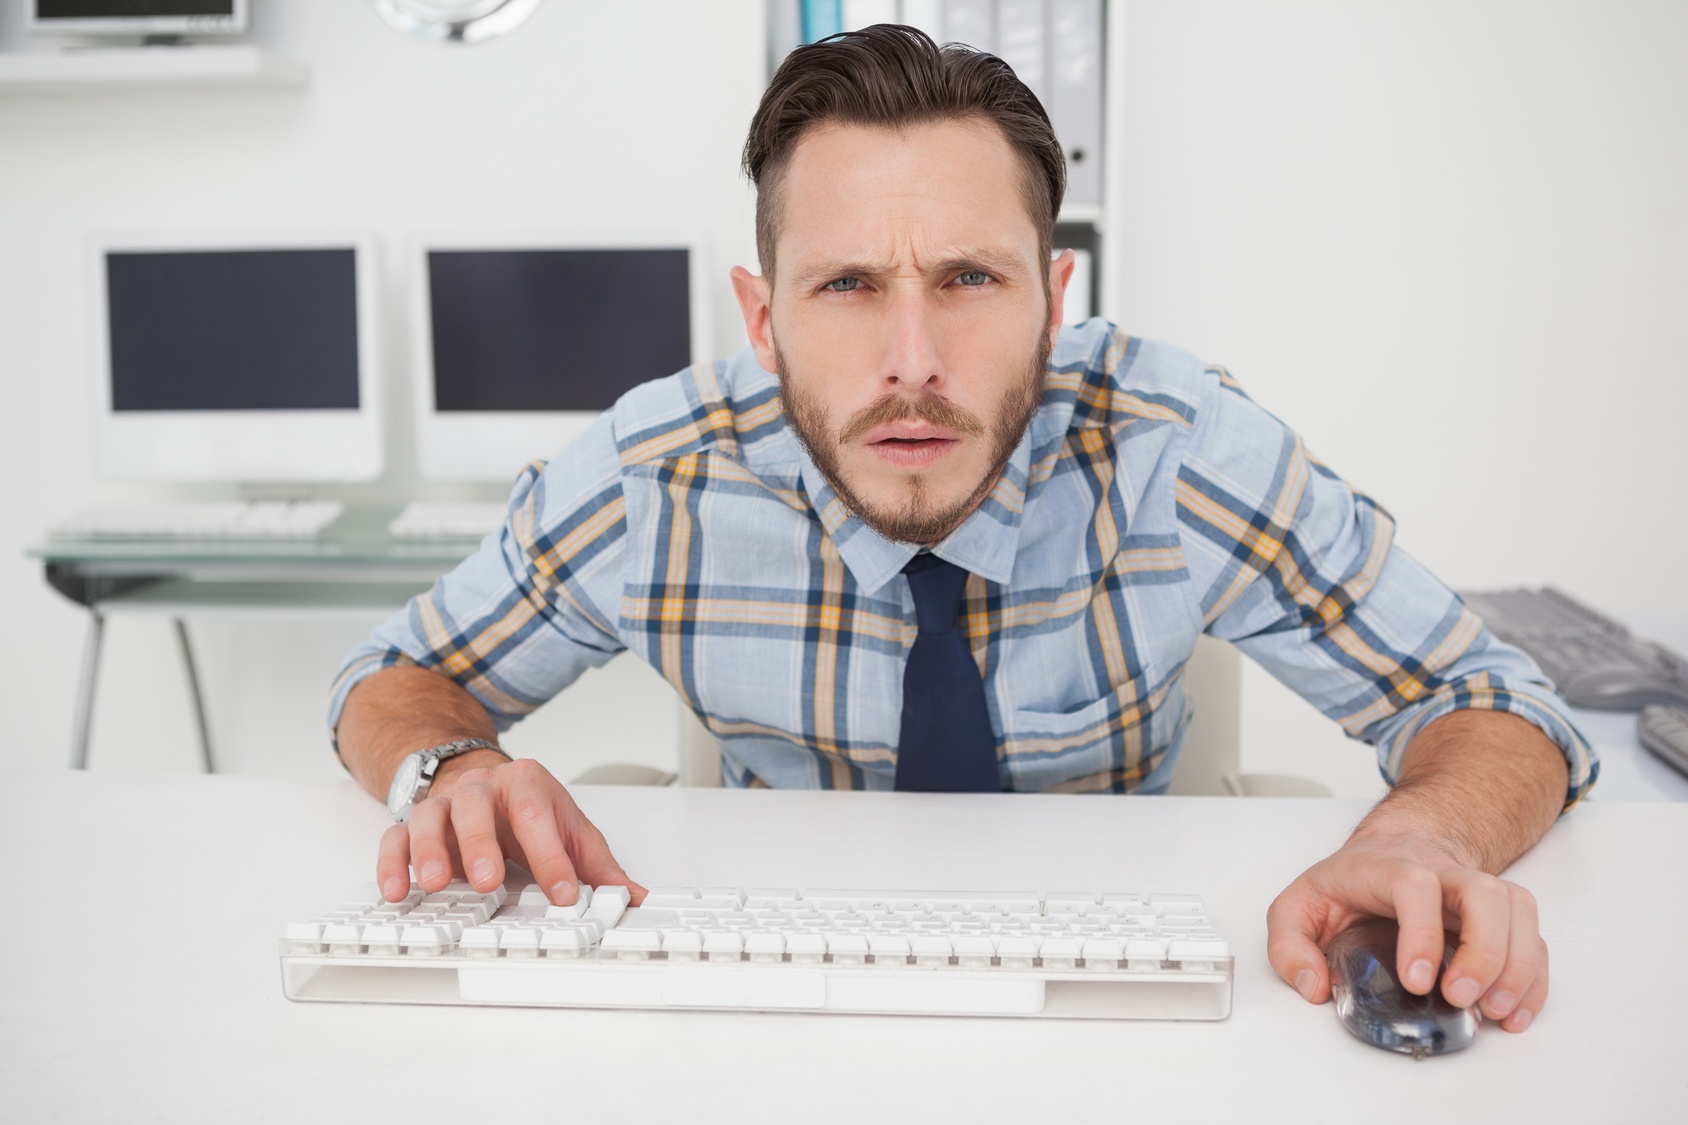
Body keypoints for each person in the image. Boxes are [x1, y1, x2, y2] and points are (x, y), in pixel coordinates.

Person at [329, 25, 1594, 1034]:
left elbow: (1492, 699)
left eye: (968, 279)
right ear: (762, 321)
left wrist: (1418, 838)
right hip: (767, 1019)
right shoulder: (652, 474)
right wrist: (456, 771)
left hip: (1120, 1012)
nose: (911, 363)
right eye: (846, 287)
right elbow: (389, 682)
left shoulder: (1179, 443)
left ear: (1053, 299)